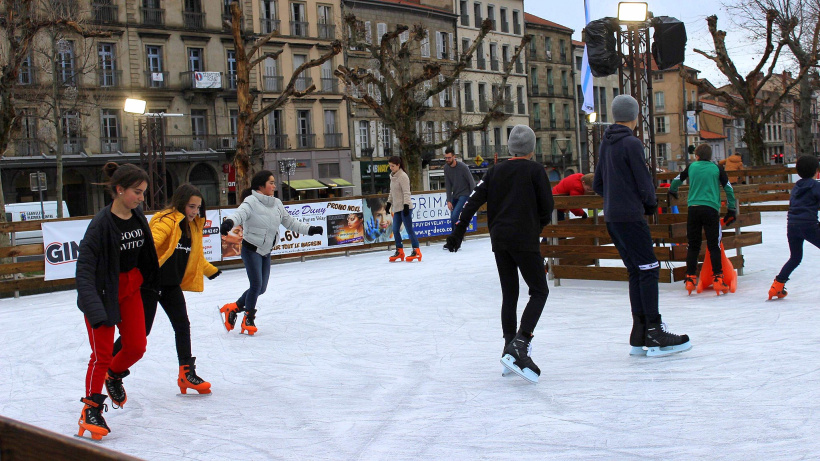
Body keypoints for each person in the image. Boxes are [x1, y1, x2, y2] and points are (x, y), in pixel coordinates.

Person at [444, 125, 553, 383]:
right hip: (524, 238)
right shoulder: (536, 170)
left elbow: (472, 201)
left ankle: (508, 348)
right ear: (531, 148)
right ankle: (521, 343)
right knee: (539, 291)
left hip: (500, 240)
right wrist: (536, 227)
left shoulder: (494, 171)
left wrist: (458, 233)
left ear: (510, 147)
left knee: (510, 293)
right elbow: (547, 208)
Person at [592, 94, 691, 358]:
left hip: (613, 216)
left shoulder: (607, 144)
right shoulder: (632, 144)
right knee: (649, 269)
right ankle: (654, 330)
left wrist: (616, 197)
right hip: (630, 217)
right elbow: (644, 181)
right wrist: (648, 204)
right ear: (635, 116)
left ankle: (640, 330)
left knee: (637, 271)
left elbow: (597, 184)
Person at [75, 162, 159, 441]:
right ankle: (91, 408)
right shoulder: (100, 225)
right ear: (119, 190)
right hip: (101, 294)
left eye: (143, 192)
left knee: (136, 346)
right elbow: (85, 269)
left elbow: (147, 255)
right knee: (102, 355)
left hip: (130, 289)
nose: (141, 198)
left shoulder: (137, 216)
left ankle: (114, 375)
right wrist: (94, 307)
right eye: (137, 192)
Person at [112, 184, 220, 395]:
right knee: (141, 333)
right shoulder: (166, 221)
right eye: (191, 206)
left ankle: (186, 374)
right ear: (181, 204)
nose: (195, 211)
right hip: (151, 284)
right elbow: (151, 245)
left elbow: (195, 256)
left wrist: (209, 270)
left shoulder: (194, 226)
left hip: (170, 284)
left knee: (182, 325)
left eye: (198, 207)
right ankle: (109, 363)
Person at [219, 170, 324, 335]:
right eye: (271, 182)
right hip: (251, 249)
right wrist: (229, 223)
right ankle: (248, 318)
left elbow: (291, 223)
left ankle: (233, 308)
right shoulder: (251, 201)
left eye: (274, 183)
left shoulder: (276, 203)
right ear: (261, 185)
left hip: (266, 251)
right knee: (255, 285)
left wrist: (310, 229)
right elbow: (240, 214)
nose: (274, 186)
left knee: (261, 289)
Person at [668, 144, 737, 294]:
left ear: (697, 156)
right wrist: (731, 208)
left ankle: (690, 278)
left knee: (693, 245)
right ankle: (718, 278)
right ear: (710, 156)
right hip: (711, 209)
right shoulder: (717, 168)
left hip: (693, 209)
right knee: (714, 245)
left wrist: (673, 190)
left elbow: (677, 179)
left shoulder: (692, 167)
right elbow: (729, 188)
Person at [769, 155, 820, 300]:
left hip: (792, 225)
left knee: (795, 257)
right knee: (796, 257)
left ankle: (776, 286)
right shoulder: (816, 186)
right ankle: (777, 286)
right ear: (816, 171)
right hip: (808, 225)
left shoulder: (796, 187)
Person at [386, 156, 422, 262]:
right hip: (397, 208)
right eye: (390, 166)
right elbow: (392, 192)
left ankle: (416, 250)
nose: (391, 168)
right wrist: (388, 203)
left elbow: (407, 192)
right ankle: (400, 251)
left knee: (409, 228)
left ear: (398, 165)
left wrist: (406, 205)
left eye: (393, 166)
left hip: (405, 207)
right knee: (395, 229)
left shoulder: (403, 176)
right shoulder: (392, 176)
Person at [443, 147, 476, 227]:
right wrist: (449, 200)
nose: (447, 160)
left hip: (464, 194)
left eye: (449, 158)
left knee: (455, 215)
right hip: (455, 195)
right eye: (446, 158)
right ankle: (456, 235)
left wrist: (474, 197)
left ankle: (456, 236)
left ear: (454, 157)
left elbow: (471, 182)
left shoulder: (463, 167)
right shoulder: (446, 168)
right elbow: (448, 185)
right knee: (452, 217)